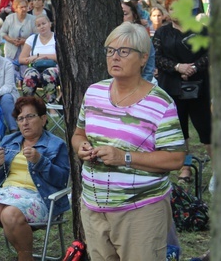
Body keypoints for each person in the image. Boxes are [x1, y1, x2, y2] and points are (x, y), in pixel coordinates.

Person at [72, 22, 186, 261]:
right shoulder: (94, 92)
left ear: (143, 58)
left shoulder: (160, 103)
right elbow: (78, 134)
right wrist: (81, 147)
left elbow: (176, 158)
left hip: (140, 210)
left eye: (124, 52)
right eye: (110, 50)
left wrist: (123, 157)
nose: (115, 57)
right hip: (93, 207)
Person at [0, 96, 70, 261]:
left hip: (39, 196)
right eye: (20, 118)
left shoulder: (56, 144)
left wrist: (40, 161)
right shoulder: (9, 141)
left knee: (10, 214)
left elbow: (61, 180)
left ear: (43, 119)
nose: (25, 122)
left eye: (30, 116)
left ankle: (26, 258)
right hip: (7, 193)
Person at [153, 0, 211, 182]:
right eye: (171, 8)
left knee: (206, 128)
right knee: (180, 130)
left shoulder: (201, 30)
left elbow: (210, 53)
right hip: (171, 85)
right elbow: (158, 58)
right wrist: (178, 67)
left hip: (199, 85)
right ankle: (185, 167)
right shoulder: (162, 32)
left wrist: (194, 67)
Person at [18, 14, 60, 103]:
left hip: (54, 68)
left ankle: (52, 106)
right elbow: (21, 59)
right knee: (30, 76)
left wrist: (40, 56)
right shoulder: (32, 39)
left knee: (47, 75)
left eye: (44, 23)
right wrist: (31, 59)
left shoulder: (57, 38)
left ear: (50, 24)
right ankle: (28, 104)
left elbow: (60, 58)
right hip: (36, 67)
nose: (42, 27)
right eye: (38, 25)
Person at [121, 0, 156, 81]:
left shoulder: (143, 38)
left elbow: (149, 69)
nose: (121, 16)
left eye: (125, 14)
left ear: (134, 16)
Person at [0, 0, 36, 74]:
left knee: (24, 73)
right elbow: (2, 32)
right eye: (21, 7)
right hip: (11, 50)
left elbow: (36, 36)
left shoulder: (32, 19)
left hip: (25, 50)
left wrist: (25, 41)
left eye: (25, 7)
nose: (24, 9)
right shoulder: (10, 18)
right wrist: (11, 40)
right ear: (15, 8)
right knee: (10, 72)